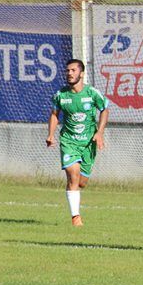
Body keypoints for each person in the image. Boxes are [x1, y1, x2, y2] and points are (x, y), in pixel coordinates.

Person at [46, 58, 109, 226]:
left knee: (81, 182)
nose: (69, 73)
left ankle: (75, 197)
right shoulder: (61, 95)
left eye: (73, 70)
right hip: (69, 142)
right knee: (73, 176)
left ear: (81, 73)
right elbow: (54, 114)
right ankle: (76, 217)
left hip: (88, 143)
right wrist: (51, 134)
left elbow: (104, 109)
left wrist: (100, 132)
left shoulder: (92, 93)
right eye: (67, 71)